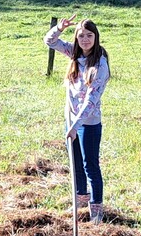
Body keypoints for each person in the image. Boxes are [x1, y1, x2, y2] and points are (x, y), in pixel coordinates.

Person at [45, 14, 110, 222]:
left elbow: (91, 101)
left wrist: (75, 125)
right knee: (75, 165)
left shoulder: (100, 65)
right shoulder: (74, 54)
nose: (85, 40)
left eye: (89, 36)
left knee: (90, 164)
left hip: (88, 123)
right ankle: (80, 203)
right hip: (71, 120)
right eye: (81, 36)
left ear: (96, 37)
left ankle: (96, 213)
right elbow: (49, 41)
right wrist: (60, 28)